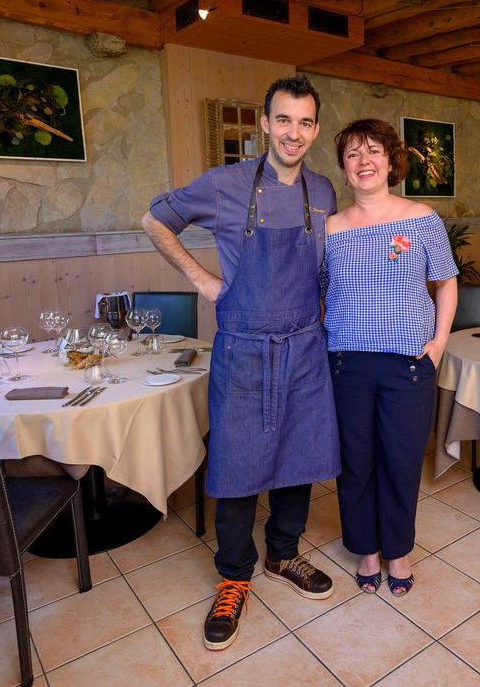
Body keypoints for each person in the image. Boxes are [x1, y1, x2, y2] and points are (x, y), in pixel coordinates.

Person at [142, 76, 339, 651]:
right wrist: (202, 279)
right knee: (235, 461)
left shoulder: (324, 190)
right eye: (283, 120)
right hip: (245, 345)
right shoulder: (225, 184)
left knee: (299, 457)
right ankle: (234, 576)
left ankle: (284, 553)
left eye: (304, 123)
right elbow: (155, 220)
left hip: (305, 343)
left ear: (315, 129)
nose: (293, 133)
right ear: (264, 123)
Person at [321, 118, 458, 596]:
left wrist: (439, 342)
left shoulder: (422, 218)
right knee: (356, 462)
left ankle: (397, 551)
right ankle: (367, 549)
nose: (364, 161)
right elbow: (320, 293)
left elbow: (446, 281)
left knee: (400, 460)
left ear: (390, 160)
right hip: (346, 364)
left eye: (373, 151)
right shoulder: (330, 228)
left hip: (408, 364)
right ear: (343, 166)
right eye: (354, 153)